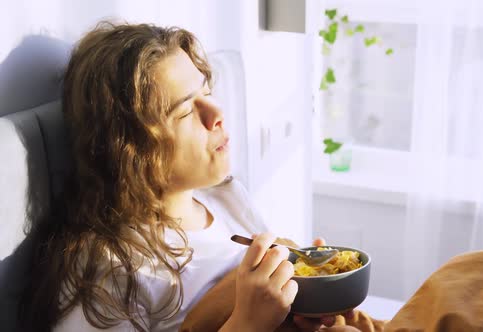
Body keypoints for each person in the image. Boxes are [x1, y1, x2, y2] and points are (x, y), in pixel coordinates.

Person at [18, 22, 343, 332]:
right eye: (186, 111)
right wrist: (248, 323)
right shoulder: (108, 273)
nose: (216, 115)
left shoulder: (224, 198)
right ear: (129, 146)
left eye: (207, 91)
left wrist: (301, 300)